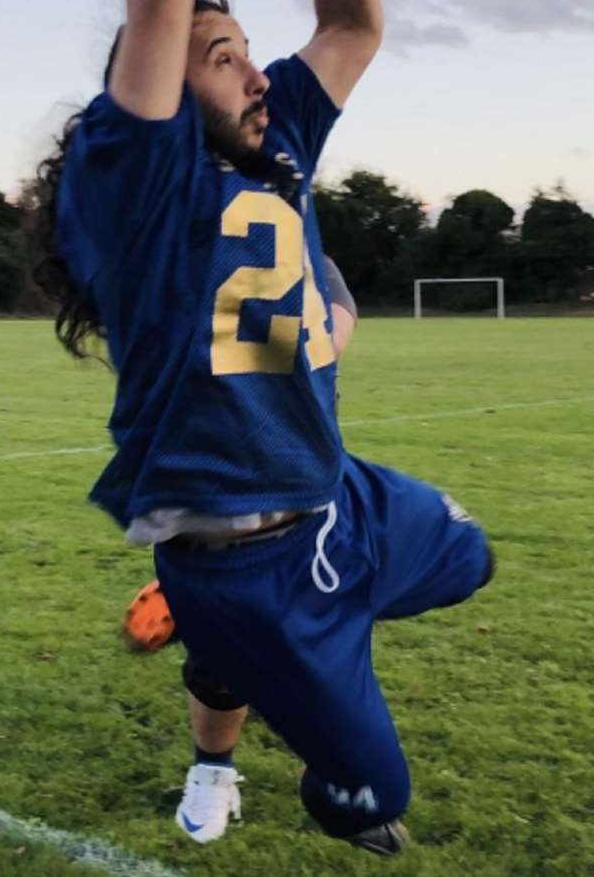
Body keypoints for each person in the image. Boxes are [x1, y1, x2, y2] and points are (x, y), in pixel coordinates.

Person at [35, 0, 493, 856]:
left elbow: (354, 25)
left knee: (472, 554)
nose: (251, 65)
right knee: (371, 798)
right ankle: (240, 676)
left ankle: (242, 639)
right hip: (252, 555)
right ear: (150, 90)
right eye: (220, 54)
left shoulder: (273, 142)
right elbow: (155, 1)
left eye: (243, 44)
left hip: (341, 497)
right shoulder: (141, 177)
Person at [122, 256, 359, 844]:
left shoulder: (308, 257)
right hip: (209, 491)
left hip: (301, 490)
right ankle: (213, 772)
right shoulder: (172, 255)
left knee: (319, 644)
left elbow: (329, 336)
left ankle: (339, 772)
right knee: (220, 661)